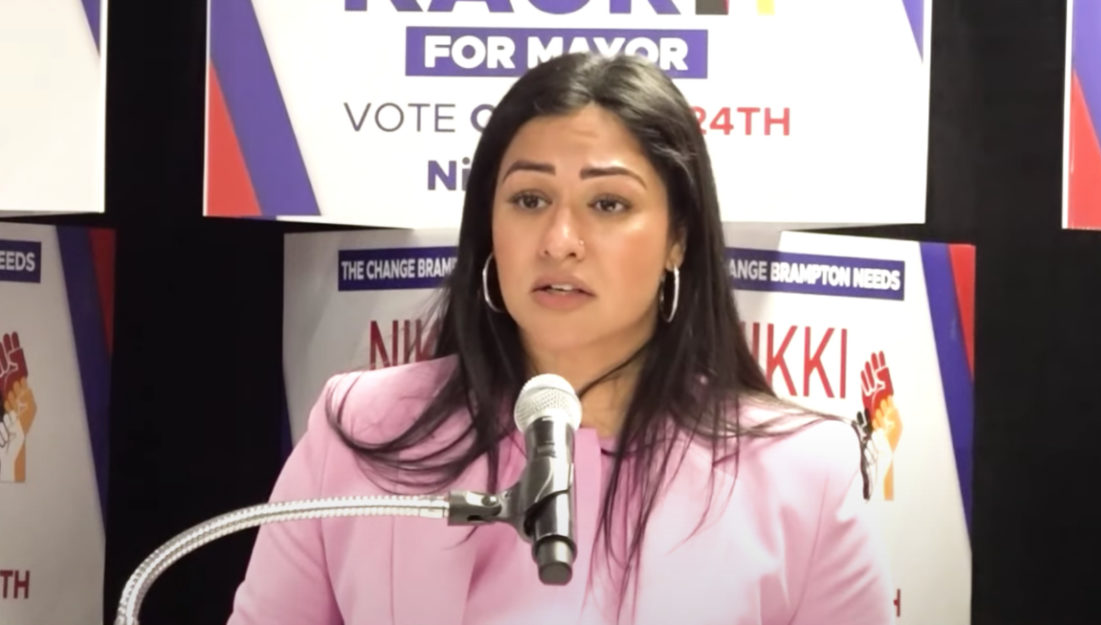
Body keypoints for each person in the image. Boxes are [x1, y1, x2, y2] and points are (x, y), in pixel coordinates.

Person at [227, 52, 894, 625]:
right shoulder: (361, 432)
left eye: (608, 204)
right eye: (528, 199)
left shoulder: (803, 472)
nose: (559, 241)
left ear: (678, 238)